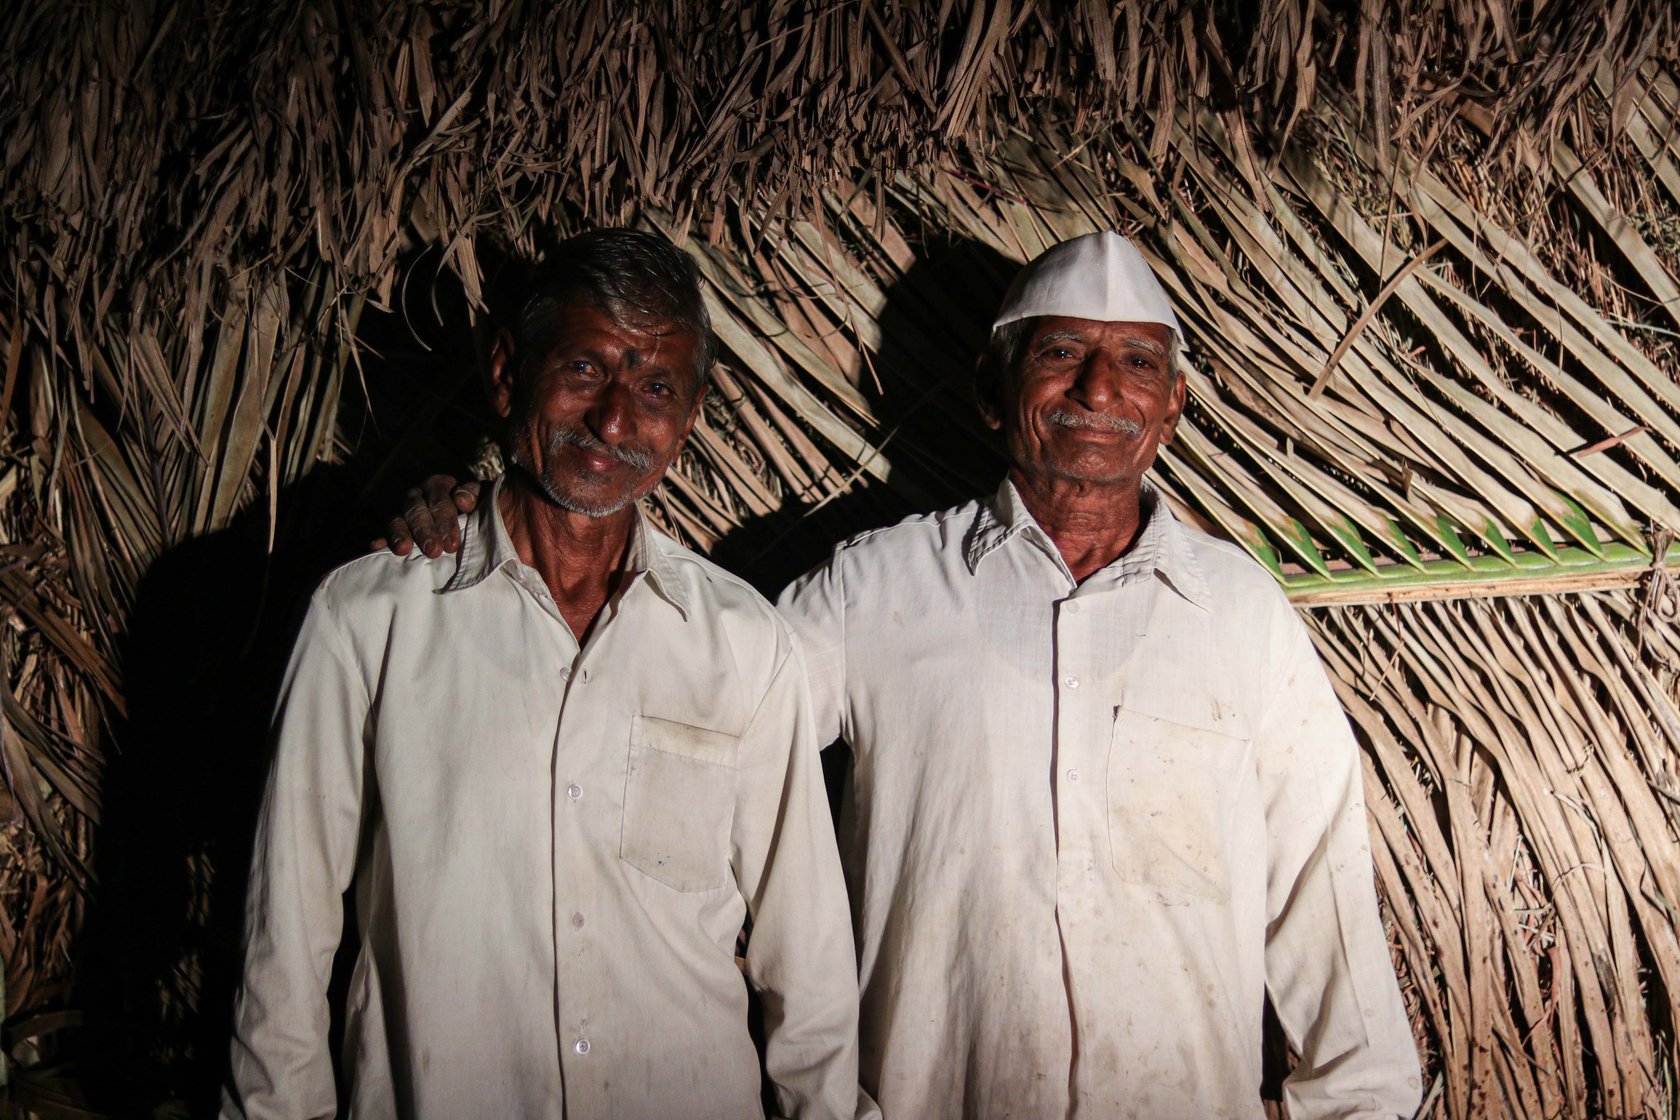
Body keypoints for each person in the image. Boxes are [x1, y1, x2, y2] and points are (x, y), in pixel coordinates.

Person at [389, 231, 1423, 1118]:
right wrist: (508, 524)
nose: (1101, 390)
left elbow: (1322, 883)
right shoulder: (877, 589)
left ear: (1175, 403)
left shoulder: (1242, 617)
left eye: (1138, 363)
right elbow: (678, 713)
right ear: (993, 389)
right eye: (1061, 354)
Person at [225, 230, 875, 1119]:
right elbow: (286, 937)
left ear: (689, 417)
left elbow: (807, 957)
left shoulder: (743, 642)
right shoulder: (370, 619)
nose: (614, 421)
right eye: (581, 369)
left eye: (654, 389)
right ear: (507, 373)